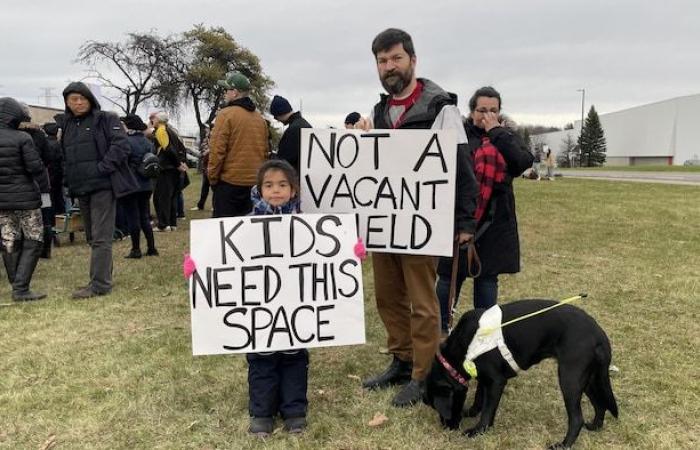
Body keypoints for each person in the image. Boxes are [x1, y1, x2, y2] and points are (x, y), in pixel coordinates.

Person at [356, 28, 478, 407]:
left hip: (422, 225)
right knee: (388, 297)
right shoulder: (378, 111)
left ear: (412, 60)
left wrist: (464, 223)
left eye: (396, 58)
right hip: (384, 225)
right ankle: (402, 358)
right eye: (382, 61)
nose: (389, 66)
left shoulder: (441, 107)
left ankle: (424, 373)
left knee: (423, 303)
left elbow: (460, 166)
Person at [436, 86, 534, 333]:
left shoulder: (506, 135)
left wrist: (496, 132)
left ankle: (484, 336)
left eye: (493, 110)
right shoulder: (458, 133)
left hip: (494, 222)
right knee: (448, 278)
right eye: (482, 110)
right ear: (471, 111)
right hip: (460, 218)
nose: (487, 115)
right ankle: (438, 330)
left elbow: (522, 161)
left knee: (487, 280)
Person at [246, 159, 308, 437]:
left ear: (293, 191)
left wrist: (348, 254)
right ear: (259, 190)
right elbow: (224, 258)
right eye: (269, 185)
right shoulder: (244, 226)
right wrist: (199, 264)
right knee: (262, 357)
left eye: (283, 185)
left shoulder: (310, 227)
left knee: (295, 356)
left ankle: (294, 410)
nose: (276, 190)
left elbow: (325, 258)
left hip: (296, 304)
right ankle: (262, 412)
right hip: (261, 305)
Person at [61, 81, 139, 299]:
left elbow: (121, 146)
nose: (78, 103)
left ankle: (100, 285)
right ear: (67, 103)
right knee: (92, 237)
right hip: (81, 188)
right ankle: (103, 276)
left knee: (101, 237)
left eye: (81, 98)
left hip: (103, 186)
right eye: (72, 99)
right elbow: (65, 156)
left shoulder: (106, 119)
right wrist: (69, 180)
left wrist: (102, 169)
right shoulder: (66, 124)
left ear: (89, 99)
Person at [0, 97, 50, 301]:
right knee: (34, 238)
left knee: (9, 239)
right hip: (26, 199)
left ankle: (17, 285)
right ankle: (21, 288)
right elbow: (35, 168)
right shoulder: (23, 138)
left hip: (1, 201)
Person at [208, 71, 269, 218]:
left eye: (226, 90)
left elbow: (217, 151)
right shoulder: (260, 119)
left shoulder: (225, 114)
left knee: (224, 233)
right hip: (254, 185)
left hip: (229, 184)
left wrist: (213, 178)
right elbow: (265, 152)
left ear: (234, 93)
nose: (224, 93)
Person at [120, 114, 158, 258]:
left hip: (131, 184)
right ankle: (151, 247)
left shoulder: (125, 142)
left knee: (133, 218)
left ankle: (136, 249)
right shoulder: (148, 142)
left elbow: (123, 162)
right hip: (147, 184)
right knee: (144, 216)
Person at [150, 112, 186, 232]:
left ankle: (163, 224)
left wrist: (178, 164)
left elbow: (168, 149)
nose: (152, 120)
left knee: (161, 197)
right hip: (172, 169)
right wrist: (181, 162)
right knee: (172, 196)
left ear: (159, 120)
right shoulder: (172, 131)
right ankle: (172, 223)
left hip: (166, 168)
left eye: (153, 118)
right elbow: (181, 148)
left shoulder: (161, 130)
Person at [269, 95, 312, 173]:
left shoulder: (293, 130)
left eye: (275, 117)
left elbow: (284, 159)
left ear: (279, 113)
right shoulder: (304, 124)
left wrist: (271, 156)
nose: (277, 120)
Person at [190, 126, 211, 211]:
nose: (206, 130)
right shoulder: (206, 139)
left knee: (215, 188)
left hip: (212, 166)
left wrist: (208, 151)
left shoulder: (216, 137)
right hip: (205, 166)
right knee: (204, 187)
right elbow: (202, 151)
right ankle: (200, 205)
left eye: (207, 129)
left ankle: (215, 206)